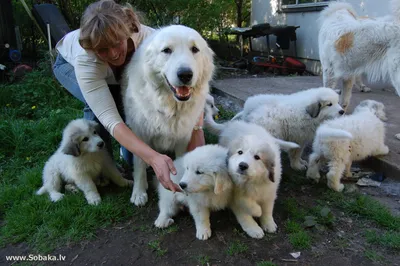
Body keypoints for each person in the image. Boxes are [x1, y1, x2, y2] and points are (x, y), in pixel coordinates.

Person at [52, 0, 205, 193]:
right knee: (103, 106)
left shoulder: (153, 40)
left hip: (120, 68)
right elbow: (110, 118)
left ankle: (128, 155)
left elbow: (199, 83)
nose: (114, 54)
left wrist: (197, 127)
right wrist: (153, 157)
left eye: (117, 43)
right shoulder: (86, 59)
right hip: (69, 65)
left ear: (127, 32)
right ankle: (99, 167)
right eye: (103, 49)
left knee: (131, 110)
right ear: (93, 49)